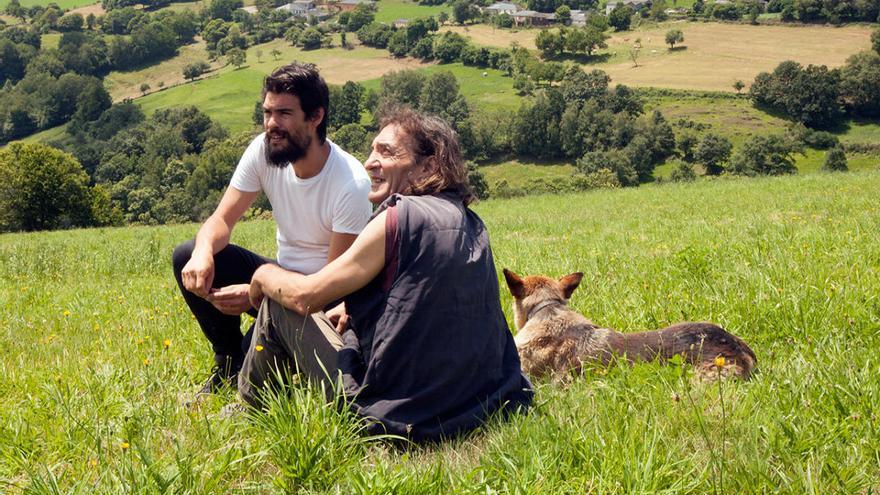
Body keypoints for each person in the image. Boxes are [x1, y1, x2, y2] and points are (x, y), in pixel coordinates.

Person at [238, 108, 533, 442]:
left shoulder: (396, 217)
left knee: (279, 301)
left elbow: (304, 296)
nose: (369, 163)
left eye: (386, 152)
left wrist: (263, 275)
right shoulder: (471, 222)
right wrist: (351, 309)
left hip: (400, 414)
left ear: (428, 167)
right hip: (481, 401)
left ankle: (248, 409)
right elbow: (424, 299)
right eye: (372, 150)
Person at [172, 62, 372, 397]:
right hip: (278, 275)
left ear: (316, 116)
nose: (271, 125)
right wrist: (203, 252)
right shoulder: (263, 150)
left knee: (256, 357)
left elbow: (330, 286)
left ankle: (250, 360)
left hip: (323, 296)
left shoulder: (350, 184)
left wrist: (258, 291)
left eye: (284, 113)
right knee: (187, 254)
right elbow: (221, 220)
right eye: (267, 112)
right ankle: (227, 359)